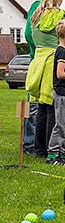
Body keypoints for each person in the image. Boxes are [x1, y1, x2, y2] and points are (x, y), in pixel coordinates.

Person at [23, 0, 63, 155]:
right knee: (52, 109)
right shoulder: (60, 16)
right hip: (53, 61)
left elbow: (28, 35)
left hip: (38, 60)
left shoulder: (36, 15)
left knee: (40, 108)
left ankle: (38, 148)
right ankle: (50, 147)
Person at [47, 20, 65, 164]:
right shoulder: (62, 52)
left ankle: (62, 153)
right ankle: (52, 154)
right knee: (60, 125)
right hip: (61, 94)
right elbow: (60, 73)